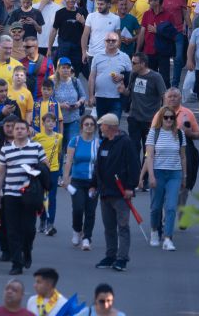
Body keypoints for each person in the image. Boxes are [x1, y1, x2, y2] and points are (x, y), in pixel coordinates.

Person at [0, 119, 47, 276]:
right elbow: (1, 172)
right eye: (16, 128)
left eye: (22, 128)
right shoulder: (5, 150)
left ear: (28, 130)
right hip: (11, 193)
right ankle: (16, 263)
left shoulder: (36, 147)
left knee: (29, 229)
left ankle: (27, 250)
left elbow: (46, 166)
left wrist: (35, 169)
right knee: (12, 230)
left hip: (29, 194)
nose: (18, 131)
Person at [90, 113, 139, 272]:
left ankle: (122, 258)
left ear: (110, 127)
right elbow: (99, 166)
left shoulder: (125, 143)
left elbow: (134, 166)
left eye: (102, 125)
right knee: (109, 227)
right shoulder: (104, 143)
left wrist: (130, 187)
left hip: (120, 193)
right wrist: (93, 184)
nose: (100, 127)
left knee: (122, 226)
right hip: (105, 193)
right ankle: (110, 255)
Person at [143, 107, 187, 252]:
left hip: (174, 173)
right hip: (158, 172)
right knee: (156, 206)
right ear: (161, 118)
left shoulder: (179, 134)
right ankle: (155, 231)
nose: (169, 120)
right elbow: (149, 156)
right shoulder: (153, 133)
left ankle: (168, 238)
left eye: (171, 117)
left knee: (171, 207)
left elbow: (183, 157)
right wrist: (151, 176)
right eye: (166, 117)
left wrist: (184, 176)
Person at [63, 113, 99, 251]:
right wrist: (66, 178)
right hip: (77, 181)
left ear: (95, 127)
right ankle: (77, 230)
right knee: (78, 208)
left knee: (90, 211)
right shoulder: (75, 141)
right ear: (82, 127)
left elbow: (100, 164)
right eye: (86, 124)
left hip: (93, 182)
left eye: (91, 124)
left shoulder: (98, 143)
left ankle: (87, 238)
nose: (89, 127)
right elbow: (69, 161)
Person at [87, 33, 131, 121]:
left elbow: (131, 76)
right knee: (101, 127)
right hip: (100, 97)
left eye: (113, 40)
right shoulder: (97, 56)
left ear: (118, 42)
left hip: (117, 98)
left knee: (113, 127)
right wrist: (91, 96)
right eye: (108, 40)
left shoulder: (125, 57)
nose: (110, 42)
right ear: (104, 42)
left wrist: (122, 76)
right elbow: (92, 77)